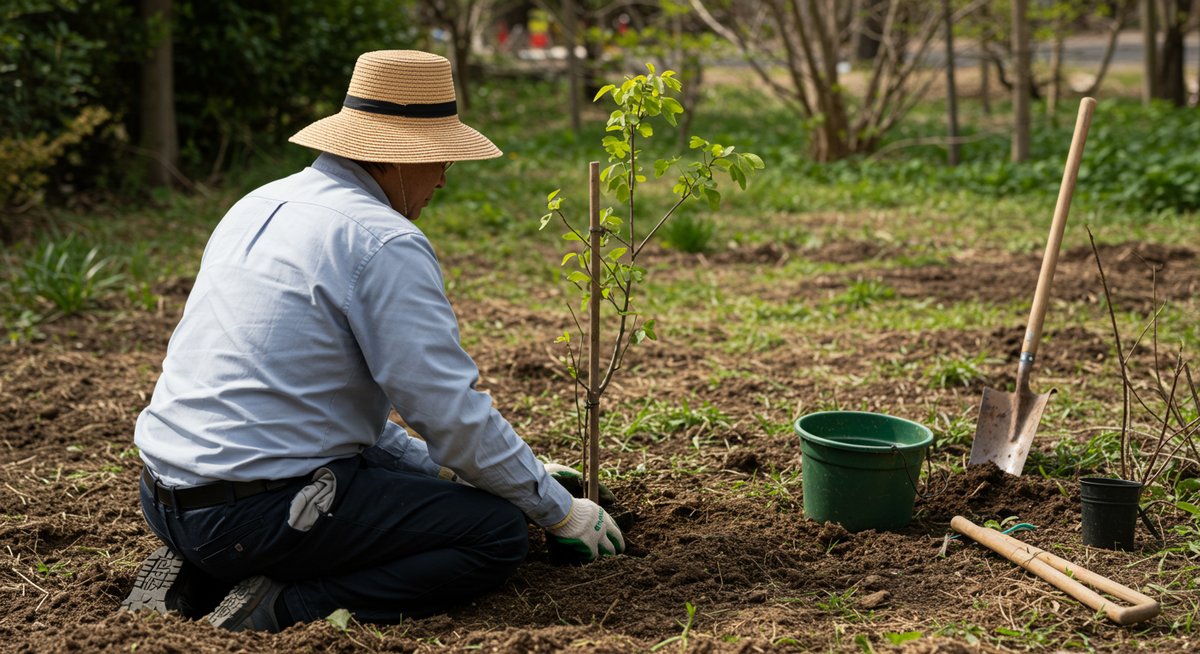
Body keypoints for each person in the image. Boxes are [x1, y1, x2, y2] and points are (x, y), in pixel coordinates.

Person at [121, 50, 624, 633]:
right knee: (494, 534)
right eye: (439, 158)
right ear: (395, 156)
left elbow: (319, 410)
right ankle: (282, 607)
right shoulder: (383, 241)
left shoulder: (259, 204)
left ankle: (201, 570)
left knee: (399, 485)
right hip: (260, 514)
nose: (443, 177)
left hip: (164, 494)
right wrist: (558, 512)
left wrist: (458, 474)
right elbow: (448, 414)